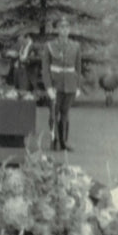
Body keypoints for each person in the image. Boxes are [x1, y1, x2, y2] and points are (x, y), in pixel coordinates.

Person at [41, 16, 82, 151]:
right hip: (55, 85)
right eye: (61, 27)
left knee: (65, 113)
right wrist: (48, 87)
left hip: (70, 84)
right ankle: (54, 140)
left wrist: (77, 86)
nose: (64, 30)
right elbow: (45, 69)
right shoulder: (50, 46)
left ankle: (64, 142)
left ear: (69, 29)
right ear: (57, 29)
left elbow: (78, 68)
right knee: (53, 113)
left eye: (66, 27)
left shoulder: (76, 46)